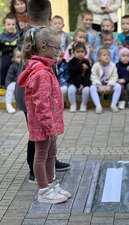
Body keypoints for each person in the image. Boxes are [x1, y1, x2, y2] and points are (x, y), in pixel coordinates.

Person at [14, 0, 70, 184]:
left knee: (45, 133)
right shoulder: (35, 35)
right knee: (36, 133)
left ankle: (50, 160)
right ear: (50, 15)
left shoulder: (32, 33)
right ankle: (34, 169)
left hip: (41, 92)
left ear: (28, 15)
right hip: (32, 92)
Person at [90, 47, 121, 113]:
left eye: (108, 55)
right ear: (99, 58)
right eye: (104, 55)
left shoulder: (112, 65)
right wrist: (99, 86)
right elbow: (94, 77)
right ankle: (98, 106)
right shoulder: (95, 66)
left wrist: (109, 86)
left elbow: (114, 77)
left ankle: (113, 105)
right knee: (92, 88)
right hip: (99, 85)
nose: (107, 57)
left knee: (118, 86)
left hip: (109, 85)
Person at [67, 42, 91, 112]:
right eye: (78, 52)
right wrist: (80, 66)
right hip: (74, 82)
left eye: (82, 52)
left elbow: (88, 74)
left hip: (84, 83)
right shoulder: (71, 62)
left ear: (85, 52)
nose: (80, 53)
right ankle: (73, 105)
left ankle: (83, 105)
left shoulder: (87, 62)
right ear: (73, 53)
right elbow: (71, 71)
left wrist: (84, 84)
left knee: (86, 90)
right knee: (71, 90)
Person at [0, 14, 19, 88]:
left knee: (17, 67)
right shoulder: (1, 37)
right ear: (4, 25)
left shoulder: (17, 36)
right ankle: (2, 84)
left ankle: (17, 83)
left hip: (15, 57)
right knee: (3, 65)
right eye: (8, 24)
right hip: (5, 56)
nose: (11, 26)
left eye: (13, 24)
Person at [5, 48, 20, 113]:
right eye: (18, 57)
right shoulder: (13, 66)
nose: (20, 59)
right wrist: (8, 85)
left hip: (24, 83)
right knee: (10, 87)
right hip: (15, 82)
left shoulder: (26, 66)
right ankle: (8, 104)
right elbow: (9, 77)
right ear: (14, 58)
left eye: (22, 57)